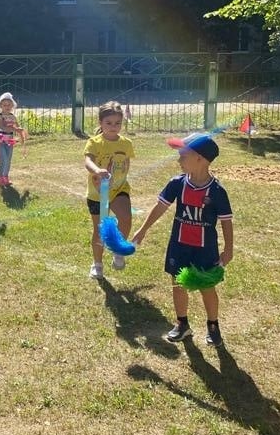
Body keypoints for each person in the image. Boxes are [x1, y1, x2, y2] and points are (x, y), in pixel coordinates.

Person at [132, 133, 234, 346]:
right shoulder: (177, 183)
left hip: (205, 249)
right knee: (178, 284)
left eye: (183, 155)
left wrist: (228, 250)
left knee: (207, 286)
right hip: (179, 246)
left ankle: (213, 326)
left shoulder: (217, 192)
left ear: (200, 158)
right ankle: (182, 324)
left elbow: (226, 222)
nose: (179, 160)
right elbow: (160, 207)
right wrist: (143, 230)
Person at [83, 100, 135, 280]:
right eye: (109, 123)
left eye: (117, 123)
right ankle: (97, 264)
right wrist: (97, 170)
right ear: (100, 123)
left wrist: (119, 179)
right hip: (97, 193)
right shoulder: (94, 142)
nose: (114, 127)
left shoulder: (126, 143)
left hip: (119, 189)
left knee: (126, 218)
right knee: (99, 229)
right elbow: (88, 161)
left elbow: (126, 163)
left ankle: (118, 250)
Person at [0, 92, 28, 187]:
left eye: (9, 105)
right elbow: (3, 127)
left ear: (12, 105)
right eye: (4, 105)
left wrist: (22, 135)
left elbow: (18, 127)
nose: (7, 107)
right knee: (3, 158)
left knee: (8, 159)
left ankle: (5, 177)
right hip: (0, 141)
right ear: (0, 106)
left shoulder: (13, 116)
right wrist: (16, 129)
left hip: (10, 141)